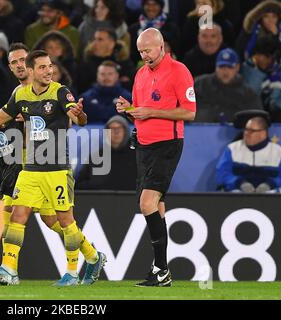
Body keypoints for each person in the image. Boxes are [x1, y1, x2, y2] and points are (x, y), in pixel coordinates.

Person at [0, 50, 106, 286]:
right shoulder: (20, 94)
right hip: (30, 169)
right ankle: (9, 270)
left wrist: (80, 114)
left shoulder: (60, 91)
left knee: (64, 220)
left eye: (50, 66)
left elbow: (78, 119)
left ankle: (74, 271)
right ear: (32, 71)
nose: (49, 71)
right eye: (42, 67)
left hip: (56, 169)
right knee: (17, 214)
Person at [116, 28, 196, 287]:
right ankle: (161, 272)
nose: (144, 56)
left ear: (161, 46)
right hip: (144, 145)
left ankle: (161, 269)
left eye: (147, 50)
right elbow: (141, 111)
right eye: (140, 51)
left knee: (147, 203)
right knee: (157, 206)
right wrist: (128, 109)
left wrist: (151, 112)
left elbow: (189, 113)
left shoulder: (179, 71)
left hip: (167, 144)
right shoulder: (140, 74)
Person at [216, 112, 281, 193]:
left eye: (251, 131)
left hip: (271, 195)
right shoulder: (232, 148)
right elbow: (223, 174)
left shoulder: (278, 151)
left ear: (263, 133)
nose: (246, 133)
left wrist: (270, 184)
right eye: (246, 130)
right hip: (238, 193)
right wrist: (240, 183)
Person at [194, 48, 263, 123]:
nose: (225, 71)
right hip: (199, 131)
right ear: (216, 67)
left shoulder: (248, 94)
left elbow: (258, 120)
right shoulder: (200, 85)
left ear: (237, 67)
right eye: (221, 67)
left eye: (230, 67)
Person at [77, 115, 137, 190]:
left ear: (126, 131)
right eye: (112, 129)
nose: (116, 132)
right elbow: (79, 184)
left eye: (119, 128)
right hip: (100, 200)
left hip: (131, 199)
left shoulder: (137, 155)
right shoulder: (97, 156)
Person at [78, 27, 135, 93]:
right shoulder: (86, 62)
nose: (94, 43)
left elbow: (131, 84)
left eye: (100, 39)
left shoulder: (124, 62)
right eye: (94, 39)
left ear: (112, 44)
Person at [241, 37, 281, 122]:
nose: (259, 58)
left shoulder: (279, 67)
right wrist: (260, 70)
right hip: (255, 113)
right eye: (257, 54)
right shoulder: (248, 67)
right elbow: (251, 94)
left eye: (265, 56)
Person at [128, 0, 180, 65]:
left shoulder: (171, 28)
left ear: (161, 6)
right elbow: (131, 54)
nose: (151, 8)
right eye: (148, 4)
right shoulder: (134, 29)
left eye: (155, 4)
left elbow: (177, 49)